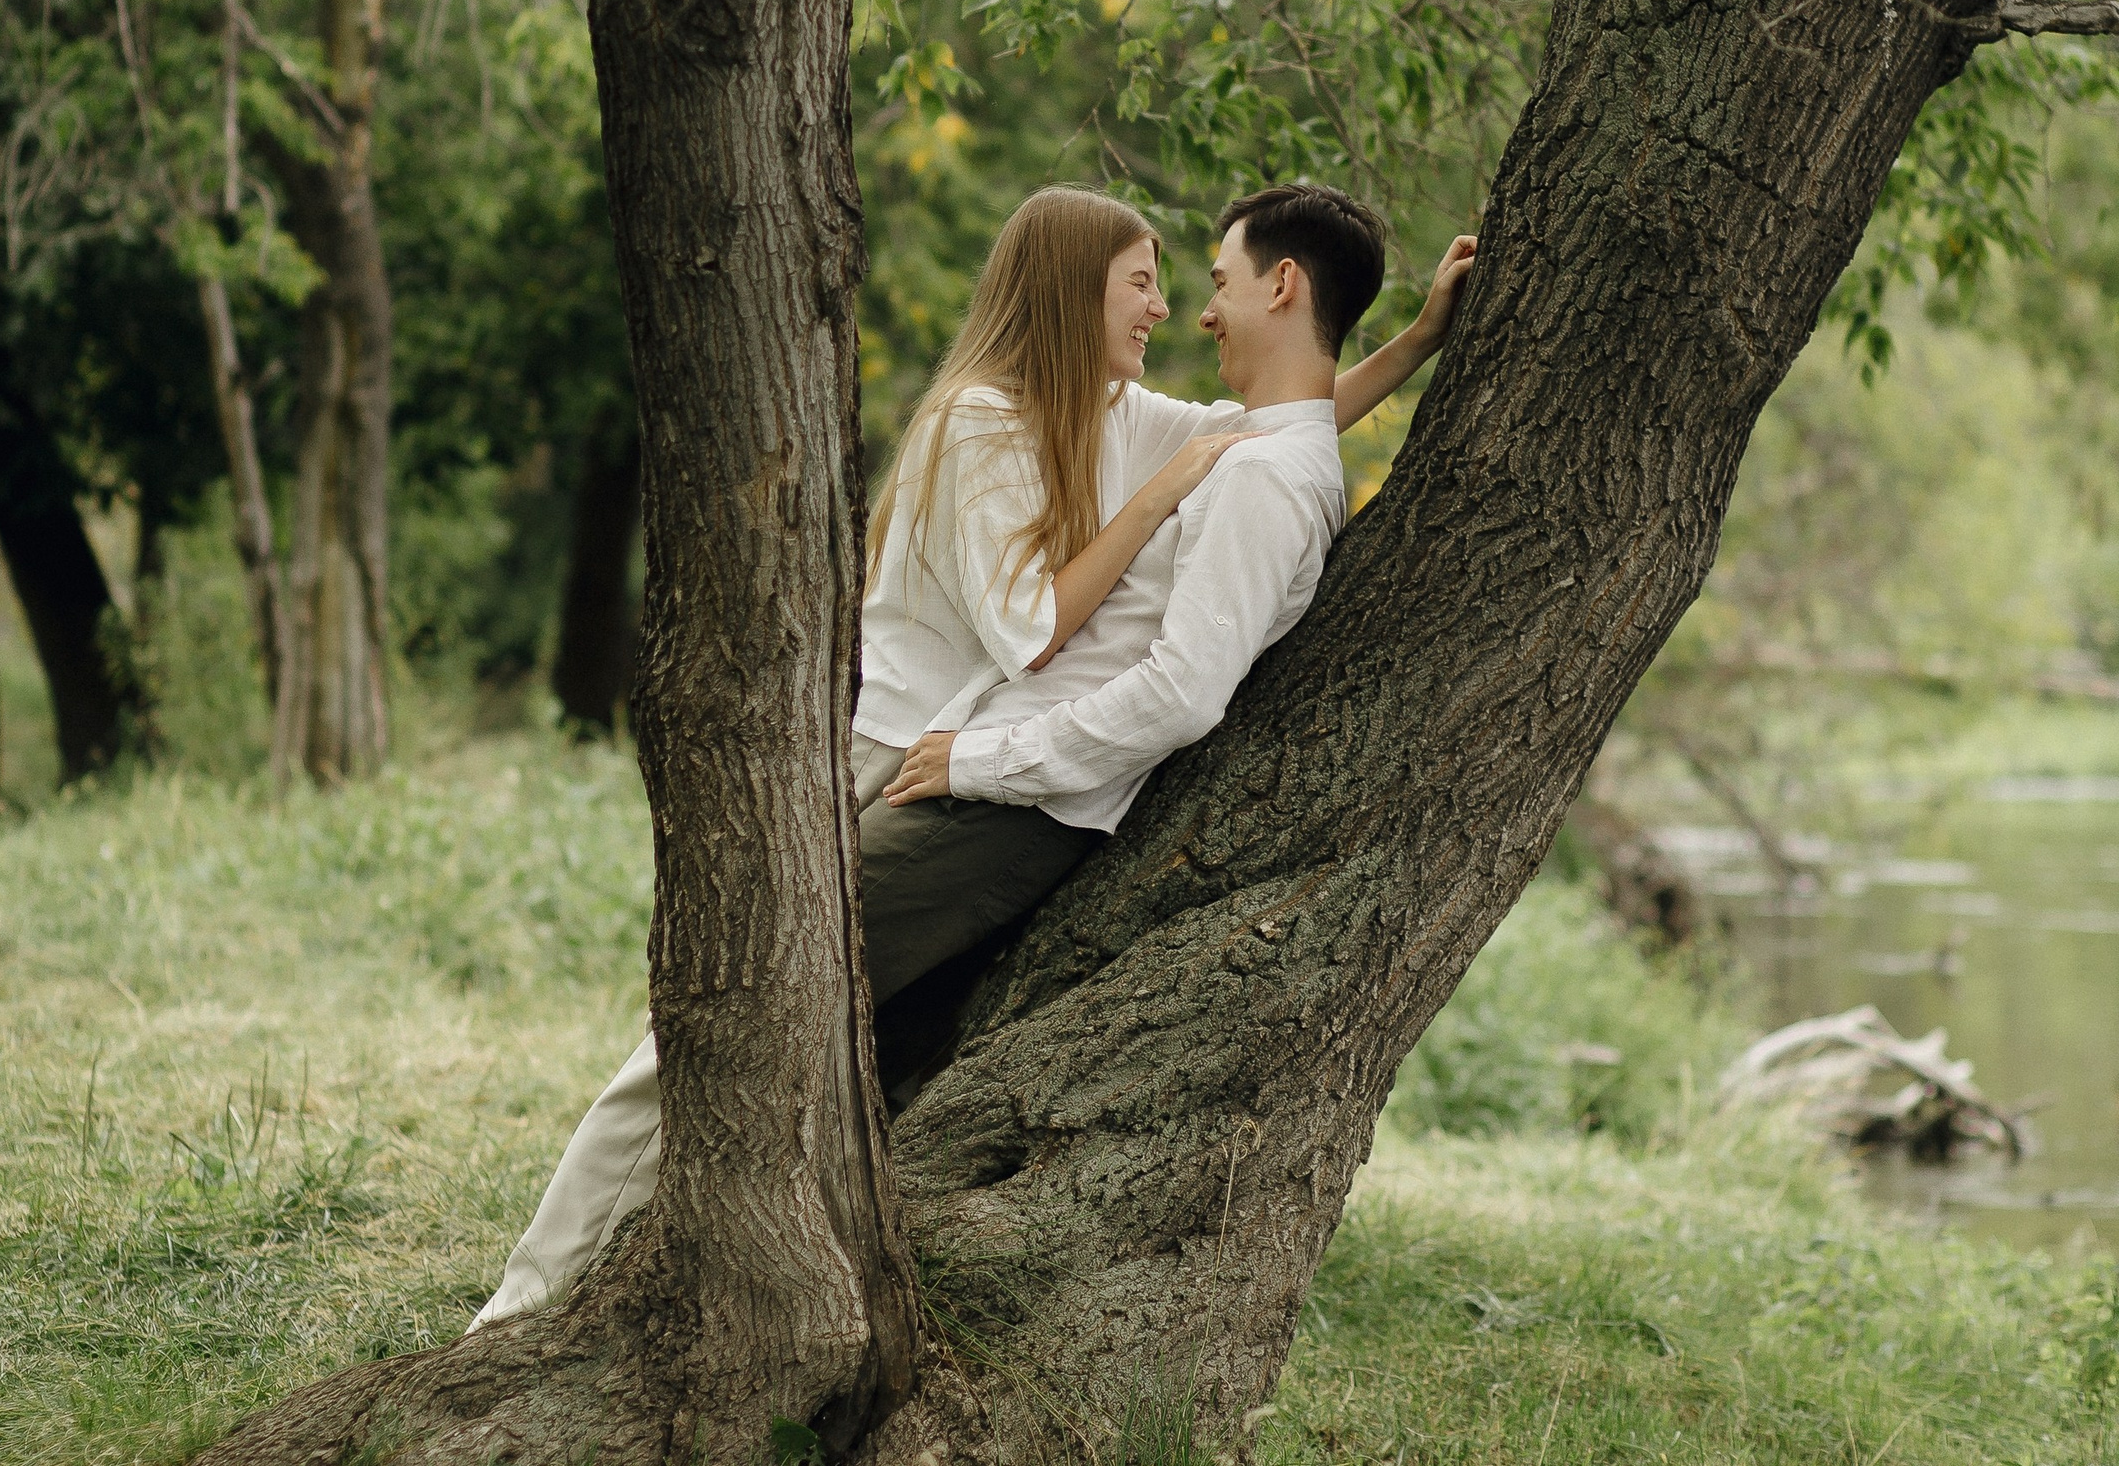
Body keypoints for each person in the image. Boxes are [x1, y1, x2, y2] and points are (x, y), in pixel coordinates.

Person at [470, 181, 1475, 1327]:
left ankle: (593, 1302)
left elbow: (1285, 425)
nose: (1174, 310)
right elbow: (1037, 621)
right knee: (738, 1023)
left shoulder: (1144, 419)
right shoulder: (993, 420)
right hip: (898, 753)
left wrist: (1419, 338)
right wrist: (1150, 507)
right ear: (1070, 287)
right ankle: (540, 1303)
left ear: (1281, 286)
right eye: (1142, 280)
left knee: (797, 1038)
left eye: (1189, 279)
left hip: (981, 769)